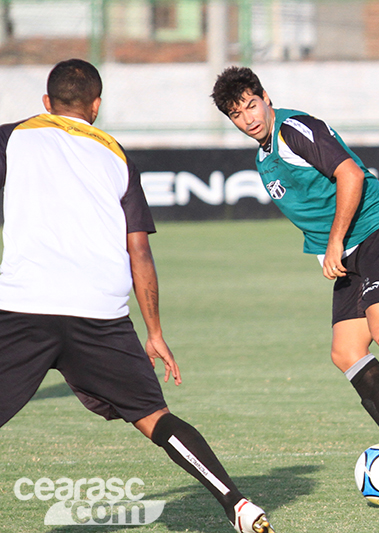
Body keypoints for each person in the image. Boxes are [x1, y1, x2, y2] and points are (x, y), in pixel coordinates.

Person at [0, 59, 274, 533]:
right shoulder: (117, 155)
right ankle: (239, 505)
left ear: (46, 104)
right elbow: (140, 250)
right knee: (155, 418)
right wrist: (155, 332)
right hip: (99, 313)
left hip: (26, 305)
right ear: (97, 106)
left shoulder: (12, 136)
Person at [211, 66, 379, 466]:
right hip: (356, 248)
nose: (249, 118)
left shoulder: (294, 130)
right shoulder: (264, 157)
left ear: (266, 97)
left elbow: (349, 173)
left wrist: (347, 236)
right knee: (345, 351)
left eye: (252, 105)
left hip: (377, 235)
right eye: (238, 115)